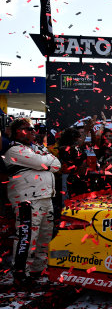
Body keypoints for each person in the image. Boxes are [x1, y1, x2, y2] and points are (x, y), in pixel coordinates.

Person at [5, 118, 61, 285]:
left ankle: (37, 270)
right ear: (16, 132)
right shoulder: (14, 150)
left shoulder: (37, 148)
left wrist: (43, 160)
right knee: (28, 237)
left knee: (44, 237)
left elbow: (57, 164)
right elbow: (42, 163)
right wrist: (44, 161)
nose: (32, 131)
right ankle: (22, 273)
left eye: (32, 128)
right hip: (27, 200)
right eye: (27, 129)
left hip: (46, 198)